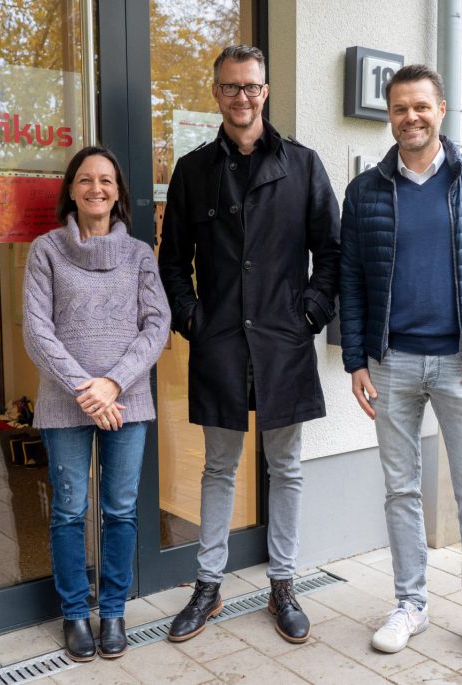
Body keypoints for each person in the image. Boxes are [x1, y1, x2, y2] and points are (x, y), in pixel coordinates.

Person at [339, 64, 462, 670]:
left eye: (421, 106)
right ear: (388, 115)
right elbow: (352, 280)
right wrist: (355, 360)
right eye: (399, 108)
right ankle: (410, 604)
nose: (410, 117)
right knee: (400, 491)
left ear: (441, 109)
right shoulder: (366, 190)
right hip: (391, 365)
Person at [158, 45, 340, 645]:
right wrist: (192, 319)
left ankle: (283, 583)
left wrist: (310, 313)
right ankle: (207, 586)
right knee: (217, 467)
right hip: (221, 343)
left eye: (252, 87)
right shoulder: (192, 170)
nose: (243, 98)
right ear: (216, 94)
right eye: (231, 88)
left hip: (285, 343)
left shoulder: (304, 165)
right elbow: (171, 262)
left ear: (266, 92)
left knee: (285, 467)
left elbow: (333, 254)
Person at [23, 146, 170, 661]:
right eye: (85, 180)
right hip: (66, 404)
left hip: (125, 405)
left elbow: (157, 327)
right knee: (68, 510)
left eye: (106, 180)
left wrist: (114, 384)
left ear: (118, 192)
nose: (96, 188)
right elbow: (37, 332)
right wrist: (89, 390)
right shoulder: (45, 251)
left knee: (121, 510)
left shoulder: (138, 255)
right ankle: (73, 614)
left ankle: (112, 612)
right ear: (71, 189)